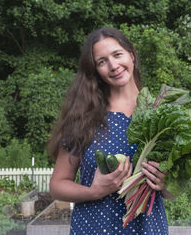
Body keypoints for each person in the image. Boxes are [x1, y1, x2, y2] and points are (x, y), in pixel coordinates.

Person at [48, 27, 174, 234]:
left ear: (131, 54)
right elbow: (57, 185)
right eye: (102, 61)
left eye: (117, 54)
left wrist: (164, 181)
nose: (113, 66)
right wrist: (94, 191)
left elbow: (171, 193)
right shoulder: (84, 117)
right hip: (94, 227)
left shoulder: (161, 113)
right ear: (96, 70)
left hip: (147, 228)